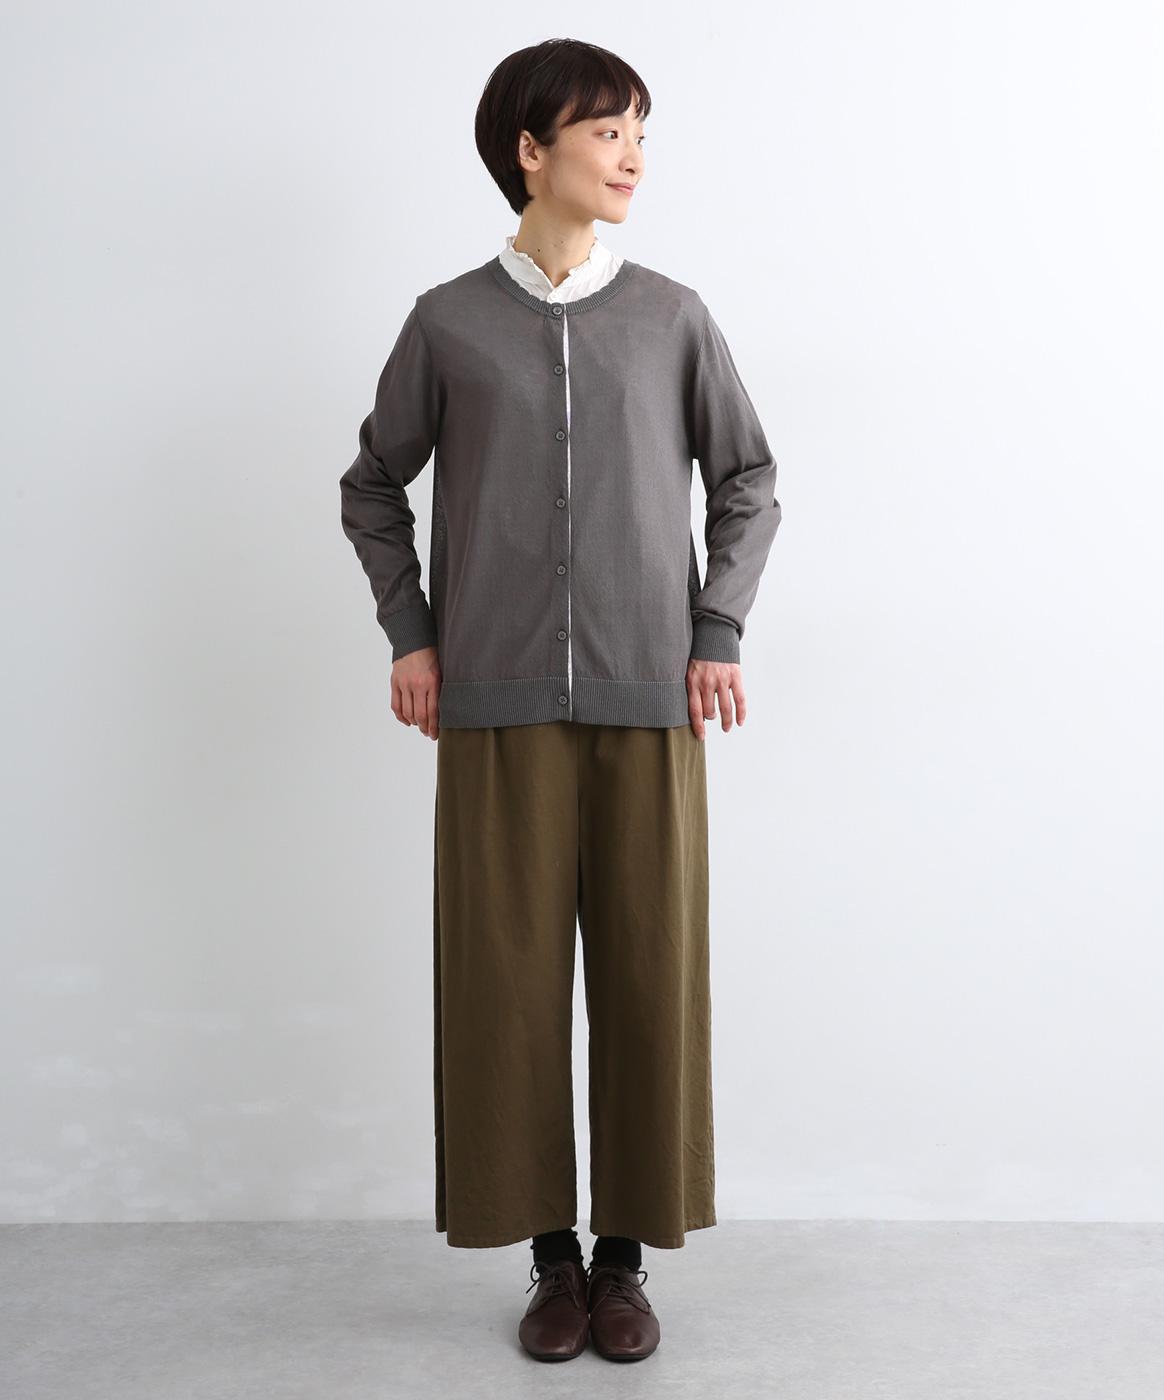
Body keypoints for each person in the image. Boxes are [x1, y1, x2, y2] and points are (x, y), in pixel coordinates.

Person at [339, 37, 782, 1363]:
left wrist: (717, 627)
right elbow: (373, 485)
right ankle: (549, 1262)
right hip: (493, 703)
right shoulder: (447, 322)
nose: (633, 155)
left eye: (641, 131)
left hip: (650, 700)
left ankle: (626, 1263)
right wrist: (414, 636)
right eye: (607, 131)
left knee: (650, 978)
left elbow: (747, 480)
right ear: (531, 152)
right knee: (507, 985)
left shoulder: (673, 316)